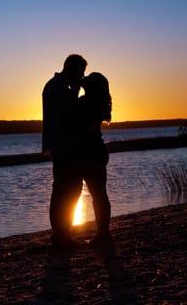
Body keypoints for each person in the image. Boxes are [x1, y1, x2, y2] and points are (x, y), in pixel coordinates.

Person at [42, 54, 87, 249]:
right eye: (80, 72)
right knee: (66, 190)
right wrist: (76, 91)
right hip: (64, 146)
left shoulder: (54, 85)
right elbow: (67, 114)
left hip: (61, 145)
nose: (81, 76)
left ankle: (61, 234)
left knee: (65, 189)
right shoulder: (58, 88)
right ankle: (61, 235)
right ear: (71, 69)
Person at [78, 72, 112, 245]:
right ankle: (103, 233)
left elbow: (86, 129)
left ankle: (103, 234)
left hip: (91, 152)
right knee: (99, 195)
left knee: (98, 195)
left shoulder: (87, 102)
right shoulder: (96, 102)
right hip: (97, 151)